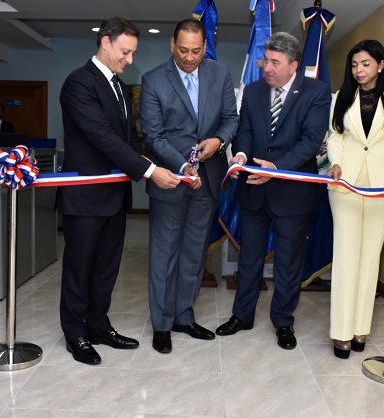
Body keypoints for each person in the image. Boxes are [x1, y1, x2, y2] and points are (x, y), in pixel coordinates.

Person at [56, 16, 180, 365]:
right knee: (79, 269)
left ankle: (97, 325)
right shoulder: (78, 83)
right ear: (105, 43)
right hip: (84, 197)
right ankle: (75, 334)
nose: (129, 59)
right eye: (125, 52)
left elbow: (127, 141)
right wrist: (151, 171)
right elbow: (102, 138)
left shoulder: (122, 88)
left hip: (113, 194)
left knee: (106, 268)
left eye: (133, 53)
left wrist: (157, 162)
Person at [216, 32, 331, 350]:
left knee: (288, 262)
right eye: (265, 60)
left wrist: (275, 168)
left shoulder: (316, 92)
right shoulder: (252, 91)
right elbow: (245, 132)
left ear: (293, 65)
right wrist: (239, 155)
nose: (267, 67)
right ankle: (242, 316)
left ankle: (283, 321)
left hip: (292, 192)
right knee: (249, 257)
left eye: (275, 62)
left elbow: (310, 141)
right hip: (253, 189)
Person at [140, 19, 238, 354]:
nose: (190, 57)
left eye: (196, 51)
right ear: (172, 45)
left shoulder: (220, 74)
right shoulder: (153, 80)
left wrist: (219, 140)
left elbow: (231, 118)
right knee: (164, 255)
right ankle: (162, 323)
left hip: (208, 181)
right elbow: (153, 136)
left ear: (204, 48)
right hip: (170, 182)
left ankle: (183, 314)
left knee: (194, 254)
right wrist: (183, 166)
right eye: (183, 50)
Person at [326, 39, 384, 359]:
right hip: (345, 185)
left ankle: (360, 330)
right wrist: (335, 162)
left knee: (369, 259)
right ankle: (341, 334)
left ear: (380, 64)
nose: (359, 71)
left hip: (383, 188)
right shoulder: (340, 97)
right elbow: (335, 135)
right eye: (354, 65)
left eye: (365, 64)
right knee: (346, 256)